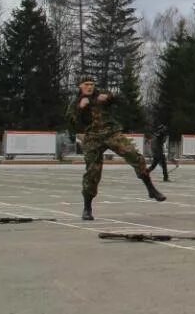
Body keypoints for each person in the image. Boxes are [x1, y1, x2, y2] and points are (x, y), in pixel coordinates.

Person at [67, 75, 166, 220]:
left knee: (134, 155)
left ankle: (151, 189)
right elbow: (72, 123)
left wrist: (110, 97)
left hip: (111, 133)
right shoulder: (75, 103)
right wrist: (80, 108)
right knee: (92, 172)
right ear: (80, 86)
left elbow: (124, 102)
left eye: (92, 84)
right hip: (92, 137)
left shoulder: (102, 95)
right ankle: (87, 208)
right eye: (86, 84)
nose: (90, 87)